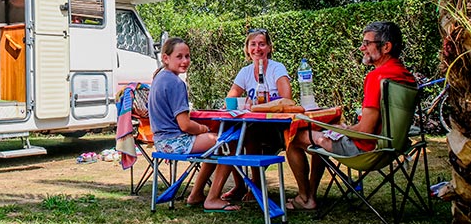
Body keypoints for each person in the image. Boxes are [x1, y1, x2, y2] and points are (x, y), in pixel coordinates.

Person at [285, 21, 416, 211]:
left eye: (367, 43)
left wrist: (343, 130)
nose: (362, 48)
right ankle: (310, 196)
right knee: (317, 136)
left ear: (386, 47)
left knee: (295, 137)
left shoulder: (378, 77)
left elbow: (365, 130)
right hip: (394, 146)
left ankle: (305, 197)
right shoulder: (405, 76)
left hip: (367, 150)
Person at [148, 37, 239, 212]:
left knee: (215, 145)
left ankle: (196, 194)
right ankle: (212, 198)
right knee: (229, 143)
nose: (185, 61)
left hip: (161, 142)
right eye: (179, 56)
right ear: (166, 58)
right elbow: (185, 125)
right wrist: (203, 128)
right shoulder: (175, 83)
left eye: (187, 56)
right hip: (175, 142)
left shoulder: (159, 78)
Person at [222, 28, 293, 202]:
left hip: (276, 128)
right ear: (247, 49)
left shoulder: (277, 68)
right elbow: (230, 98)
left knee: (249, 134)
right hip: (253, 123)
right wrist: (240, 104)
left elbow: (287, 98)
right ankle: (239, 186)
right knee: (229, 137)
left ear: (269, 47)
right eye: (253, 44)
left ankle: (257, 183)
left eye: (262, 44)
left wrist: (261, 107)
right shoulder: (245, 72)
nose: (257, 48)